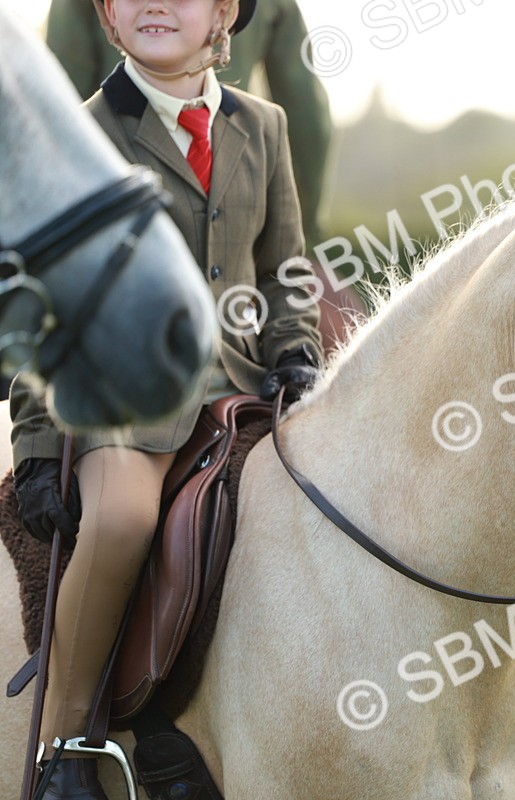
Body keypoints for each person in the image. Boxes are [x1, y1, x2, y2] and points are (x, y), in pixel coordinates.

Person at [10, 2, 322, 796]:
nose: (155, 3)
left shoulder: (265, 125)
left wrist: (296, 352)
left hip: (246, 392)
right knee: (122, 521)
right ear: (108, 18)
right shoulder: (82, 133)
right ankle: (64, 752)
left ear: (223, 14)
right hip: (126, 403)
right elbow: (42, 295)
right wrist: (39, 448)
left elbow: (287, 265)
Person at [46, 0, 333, 244]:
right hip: (235, 190)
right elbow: (308, 119)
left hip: (120, 210)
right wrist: (307, 236)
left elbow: (56, 107)